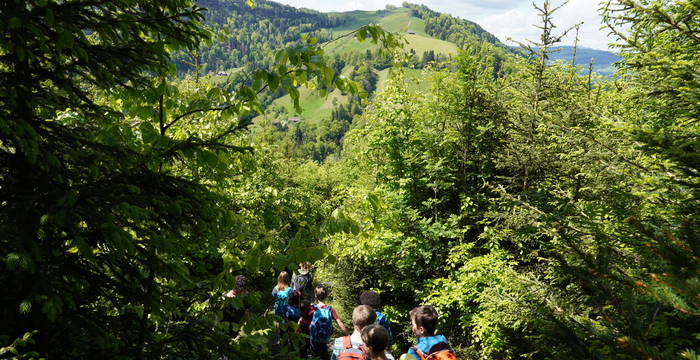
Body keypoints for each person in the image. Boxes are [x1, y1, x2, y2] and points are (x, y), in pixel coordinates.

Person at [309, 285, 349, 360]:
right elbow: (340, 323)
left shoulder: (312, 308)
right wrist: (349, 336)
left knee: (314, 356)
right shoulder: (330, 309)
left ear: (315, 295)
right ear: (326, 295)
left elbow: (304, 320)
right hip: (325, 338)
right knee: (325, 355)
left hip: (314, 338)